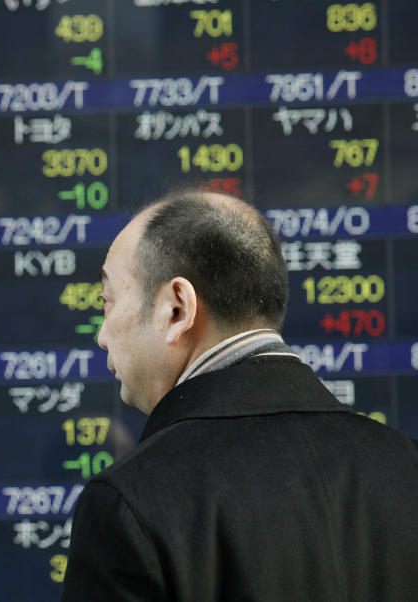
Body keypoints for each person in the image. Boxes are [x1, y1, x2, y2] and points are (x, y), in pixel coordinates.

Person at [61, 190, 418, 601]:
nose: (101, 337)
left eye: (107, 301)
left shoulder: (131, 503)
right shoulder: (407, 464)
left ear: (176, 309)